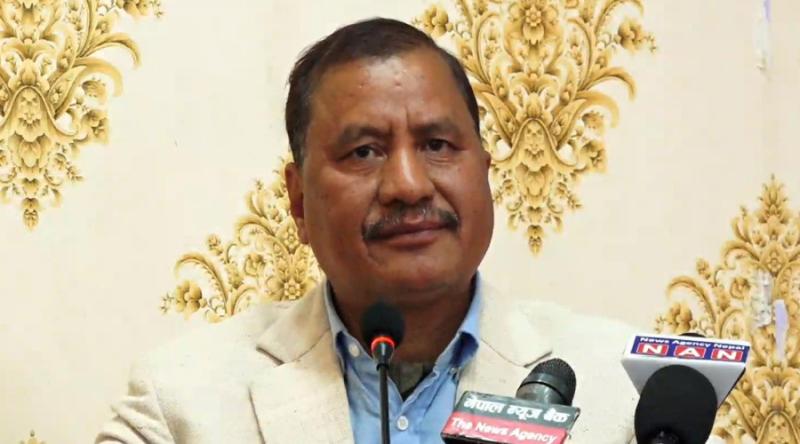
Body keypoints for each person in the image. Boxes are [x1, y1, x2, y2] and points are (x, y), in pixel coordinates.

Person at [96, 18, 638, 444]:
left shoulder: (624, 391)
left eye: (437, 145)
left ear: (485, 173)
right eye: (364, 152)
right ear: (299, 202)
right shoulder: (180, 402)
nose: (408, 185)